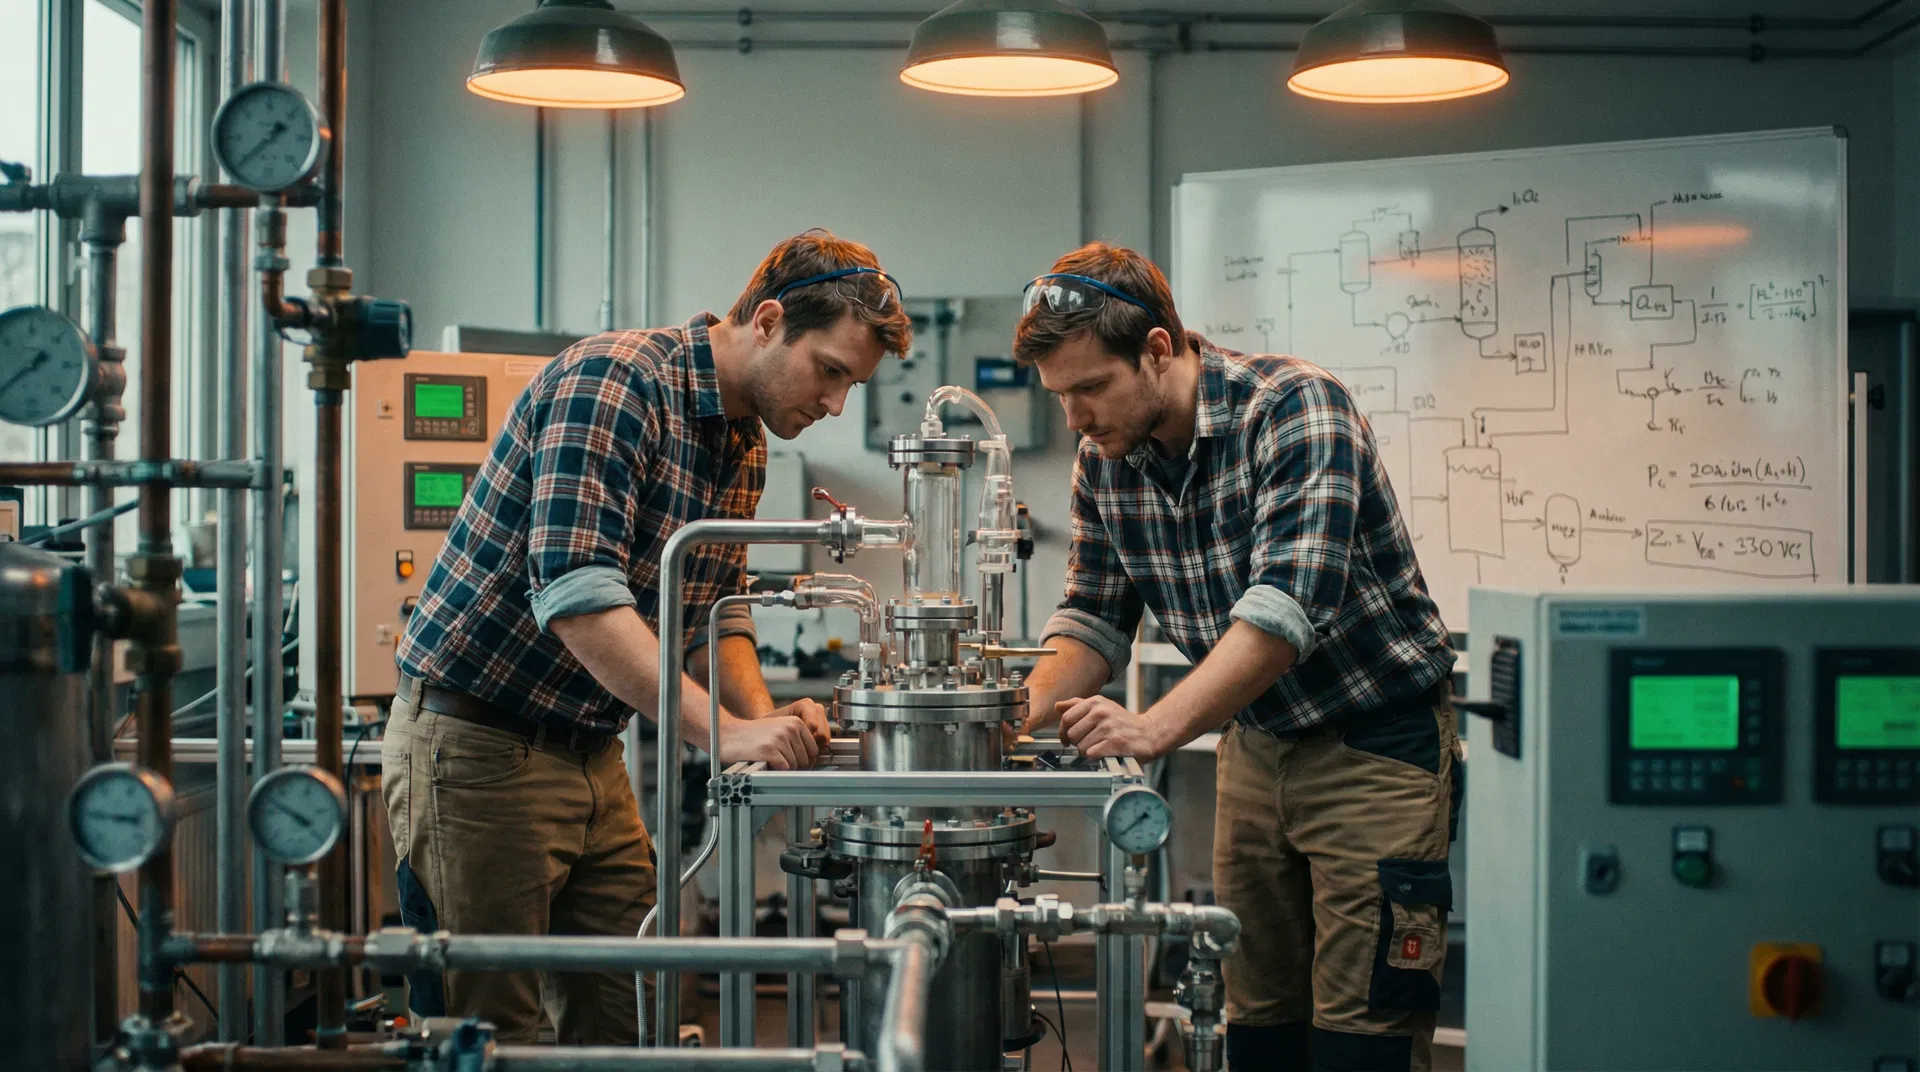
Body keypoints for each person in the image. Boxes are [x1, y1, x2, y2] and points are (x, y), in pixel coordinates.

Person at [382, 229, 912, 1044]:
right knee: (489, 1035)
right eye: (831, 372)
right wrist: (728, 734)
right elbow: (579, 599)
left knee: (637, 1014)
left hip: (592, 752)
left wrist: (767, 726)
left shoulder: (741, 439)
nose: (837, 403)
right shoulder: (616, 382)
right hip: (477, 749)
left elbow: (714, 610)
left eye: (854, 383)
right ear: (768, 321)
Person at [1013, 243, 1459, 1072]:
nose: (1074, 418)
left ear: (1156, 349)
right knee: (1258, 1023)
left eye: (1090, 389)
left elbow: (1283, 612)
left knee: (1363, 1036)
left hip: (1374, 748)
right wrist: (1010, 714)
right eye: (1060, 395)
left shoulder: (1294, 408)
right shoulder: (1104, 463)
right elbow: (1092, 619)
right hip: (1254, 750)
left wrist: (1153, 730)